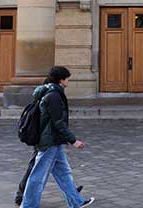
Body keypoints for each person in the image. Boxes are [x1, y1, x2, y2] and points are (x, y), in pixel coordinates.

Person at [20, 66, 95, 208]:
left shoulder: (50, 92)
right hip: (50, 142)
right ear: (61, 80)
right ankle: (28, 206)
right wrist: (73, 140)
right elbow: (58, 123)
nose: (68, 82)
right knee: (37, 177)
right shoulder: (53, 96)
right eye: (67, 79)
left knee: (64, 174)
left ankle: (76, 202)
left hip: (55, 141)